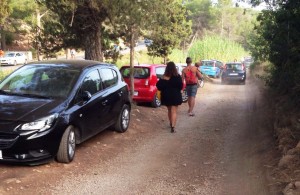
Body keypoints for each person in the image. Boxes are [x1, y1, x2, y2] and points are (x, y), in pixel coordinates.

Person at [156, 61, 183, 133]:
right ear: (174, 68)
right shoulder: (177, 76)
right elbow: (181, 86)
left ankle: (171, 123)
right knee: (174, 111)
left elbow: (158, 86)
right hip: (175, 96)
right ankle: (173, 127)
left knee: (169, 110)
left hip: (166, 96)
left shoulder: (164, 77)